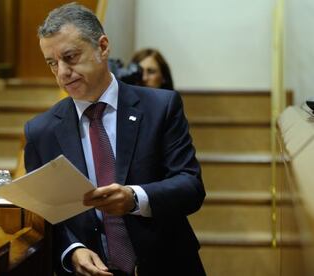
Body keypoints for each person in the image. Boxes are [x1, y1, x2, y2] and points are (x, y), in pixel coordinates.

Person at [24, 3, 206, 276]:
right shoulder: (41, 131)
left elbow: (190, 187)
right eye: (52, 63)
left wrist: (135, 198)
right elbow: (44, 214)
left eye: (70, 57)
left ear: (103, 47)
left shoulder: (160, 107)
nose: (62, 73)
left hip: (166, 264)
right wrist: (71, 250)